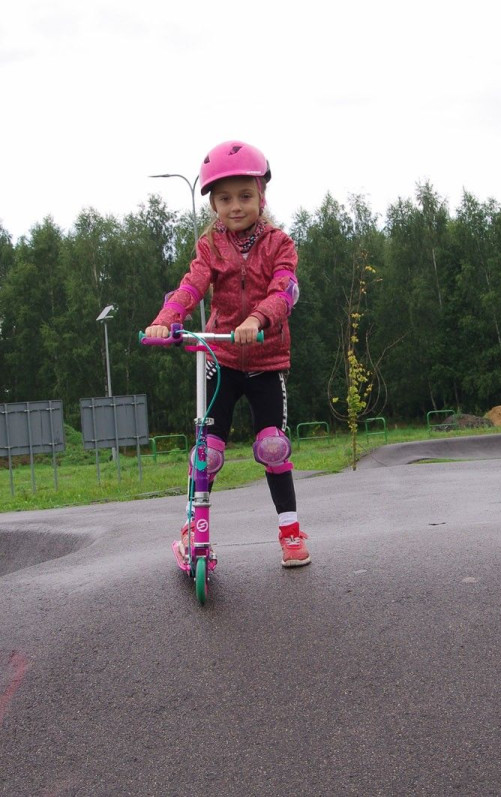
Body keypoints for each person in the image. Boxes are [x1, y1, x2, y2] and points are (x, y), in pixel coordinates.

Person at [144, 140, 309, 568]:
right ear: (214, 204)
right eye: (224, 198)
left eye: (244, 196)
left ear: (261, 196)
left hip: (266, 362)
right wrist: (167, 317)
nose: (235, 206)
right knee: (208, 452)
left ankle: (290, 533)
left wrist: (257, 320)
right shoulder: (210, 246)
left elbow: (285, 290)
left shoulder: (280, 244)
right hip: (221, 360)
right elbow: (192, 284)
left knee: (273, 447)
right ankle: (191, 531)